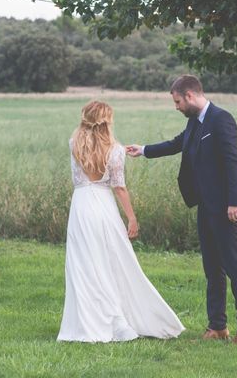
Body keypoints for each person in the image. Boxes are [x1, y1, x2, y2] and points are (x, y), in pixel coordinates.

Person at [126, 75, 237, 346]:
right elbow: (177, 144)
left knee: (234, 267)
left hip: (225, 207)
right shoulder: (194, 122)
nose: (176, 107)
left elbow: (233, 162)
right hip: (205, 206)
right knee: (212, 268)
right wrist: (144, 150)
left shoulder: (221, 119)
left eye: (177, 101)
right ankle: (217, 326)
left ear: (189, 96)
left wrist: (234, 201)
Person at [57, 100, 185, 343]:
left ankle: (86, 323)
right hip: (104, 207)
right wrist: (131, 217)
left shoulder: (73, 144)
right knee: (113, 261)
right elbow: (119, 187)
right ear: (107, 121)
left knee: (83, 264)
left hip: (82, 206)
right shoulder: (114, 150)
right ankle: (116, 319)